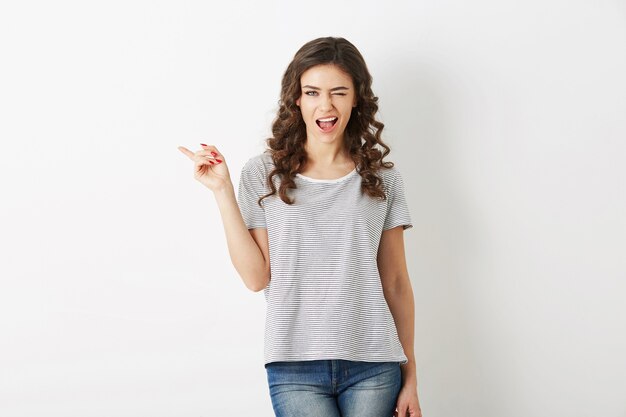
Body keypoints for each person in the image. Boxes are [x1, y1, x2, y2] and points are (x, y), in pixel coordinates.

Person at [178, 36, 422, 417]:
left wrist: (411, 379)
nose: (325, 105)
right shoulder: (262, 173)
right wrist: (222, 191)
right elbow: (257, 278)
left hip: (375, 361)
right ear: (297, 98)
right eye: (312, 92)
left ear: (356, 98)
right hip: (293, 364)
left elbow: (395, 283)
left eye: (339, 92)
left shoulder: (383, 179)